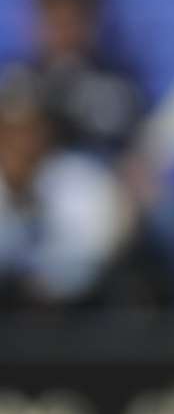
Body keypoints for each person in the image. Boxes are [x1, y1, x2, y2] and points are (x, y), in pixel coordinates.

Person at [0, 74, 132, 308]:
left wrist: (43, 275)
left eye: (29, 129)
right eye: (10, 131)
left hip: (74, 310)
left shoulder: (82, 178)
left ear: (46, 131)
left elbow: (99, 249)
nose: (20, 141)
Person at [4, 0, 147, 159]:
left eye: (72, 20)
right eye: (55, 21)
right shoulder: (17, 79)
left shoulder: (118, 85)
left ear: (91, 20)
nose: (64, 34)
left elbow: (132, 146)